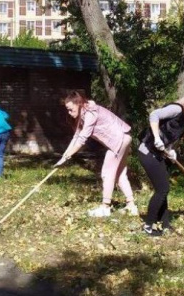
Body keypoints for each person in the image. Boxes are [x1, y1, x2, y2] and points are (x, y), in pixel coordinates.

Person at [56, 90, 138, 218]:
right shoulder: (83, 114)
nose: (69, 112)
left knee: (107, 173)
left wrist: (69, 155)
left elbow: (82, 139)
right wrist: (64, 156)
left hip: (119, 140)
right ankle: (131, 206)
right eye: (67, 110)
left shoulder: (90, 113)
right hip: (123, 138)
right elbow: (76, 137)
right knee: (120, 174)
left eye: (70, 109)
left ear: (79, 104)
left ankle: (105, 207)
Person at [137, 93, 184, 236]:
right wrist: (156, 138)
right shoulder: (177, 109)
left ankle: (165, 224)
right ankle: (148, 226)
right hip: (147, 150)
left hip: (159, 153)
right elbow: (154, 115)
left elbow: (168, 136)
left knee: (163, 188)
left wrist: (170, 151)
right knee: (162, 189)